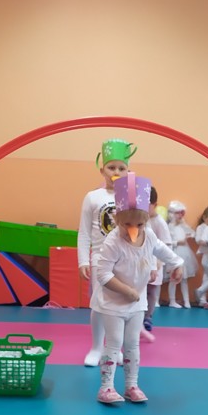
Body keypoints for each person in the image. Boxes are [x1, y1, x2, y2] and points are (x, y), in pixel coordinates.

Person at [92, 173, 183, 403]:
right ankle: (106, 388)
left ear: (147, 219)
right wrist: (127, 290)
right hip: (113, 303)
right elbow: (103, 274)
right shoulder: (113, 242)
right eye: (127, 224)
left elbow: (160, 249)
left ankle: (131, 385)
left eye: (139, 224)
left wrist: (177, 264)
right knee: (114, 343)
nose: (133, 229)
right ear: (117, 219)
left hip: (137, 303)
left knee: (132, 344)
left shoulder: (148, 234)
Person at [78, 138, 137, 366]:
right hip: (100, 258)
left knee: (119, 305)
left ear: (128, 171)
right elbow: (84, 232)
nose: (116, 172)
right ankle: (96, 348)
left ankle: (114, 348)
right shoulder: (92, 197)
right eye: (111, 167)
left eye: (122, 168)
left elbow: (140, 230)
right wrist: (83, 260)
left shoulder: (131, 198)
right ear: (102, 170)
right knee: (98, 303)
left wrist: (147, 261)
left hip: (125, 258)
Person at [142, 186, 170, 341]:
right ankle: (138, 318)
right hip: (142, 262)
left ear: (155, 205)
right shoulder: (140, 219)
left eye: (147, 205)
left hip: (156, 261)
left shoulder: (159, 222)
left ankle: (148, 316)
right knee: (141, 290)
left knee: (152, 292)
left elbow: (166, 244)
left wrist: (159, 261)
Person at [166, 200, 197, 308]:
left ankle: (186, 301)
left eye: (181, 213)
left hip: (184, 254)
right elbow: (167, 242)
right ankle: (172, 301)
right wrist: (178, 242)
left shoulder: (183, 225)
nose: (179, 216)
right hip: (174, 253)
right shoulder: (169, 226)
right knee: (173, 278)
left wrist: (188, 233)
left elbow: (193, 233)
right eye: (177, 213)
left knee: (184, 279)